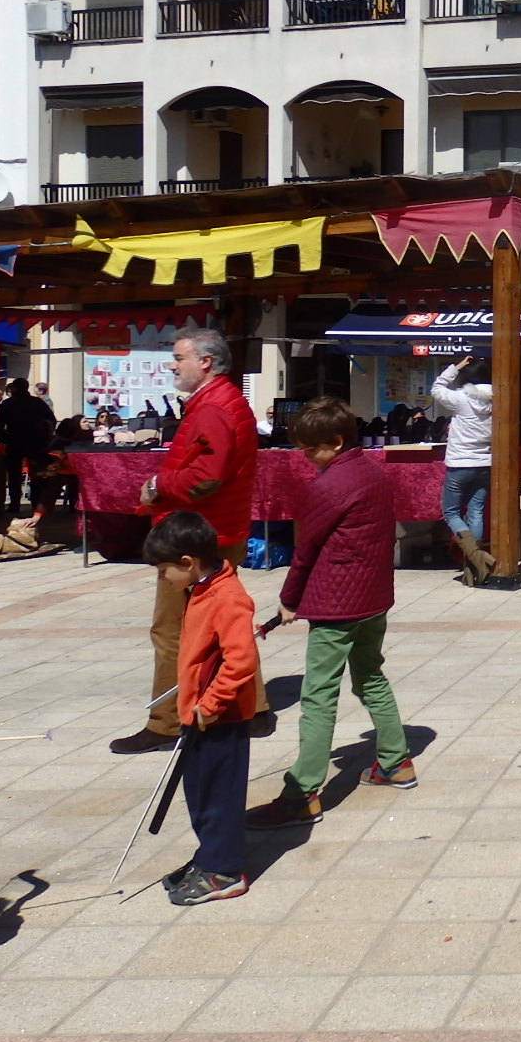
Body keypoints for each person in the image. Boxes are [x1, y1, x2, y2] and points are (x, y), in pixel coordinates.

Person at [248, 398, 412, 830]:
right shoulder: (374, 473)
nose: (305, 457)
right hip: (374, 598)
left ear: (336, 442)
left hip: (338, 604)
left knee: (318, 696)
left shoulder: (329, 485)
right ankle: (396, 761)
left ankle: (302, 794)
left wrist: (288, 600)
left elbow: (305, 551)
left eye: (310, 449)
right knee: (371, 676)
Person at [113, 331, 268, 755]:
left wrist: (158, 485)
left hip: (198, 535)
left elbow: (206, 478)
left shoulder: (213, 407)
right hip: (219, 528)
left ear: (205, 362)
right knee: (225, 626)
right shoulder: (222, 401)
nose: (172, 364)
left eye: (179, 357)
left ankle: (165, 723)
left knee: (171, 630)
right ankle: (254, 709)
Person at [143, 512, 258, 906]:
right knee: (198, 791)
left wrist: (210, 703)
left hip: (220, 717)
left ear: (188, 562)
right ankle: (209, 856)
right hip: (197, 714)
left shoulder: (228, 596)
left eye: (164, 571)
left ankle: (225, 870)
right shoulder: (202, 589)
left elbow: (241, 660)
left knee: (218, 796)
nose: (163, 579)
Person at [431, 355, 496, 586]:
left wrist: (455, 368)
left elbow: (437, 388)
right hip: (484, 462)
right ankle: (474, 570)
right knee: (476, 512)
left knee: (451, 512)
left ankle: (476, 557)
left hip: (459, 462)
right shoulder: (497, 398)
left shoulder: (461, 397)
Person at [0, 377, 57, 516]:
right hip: (35, 442)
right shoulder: (37, 402)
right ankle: (36, 504)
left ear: (15, 388)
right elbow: (51, 420)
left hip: (15, 441)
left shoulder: (8, 403)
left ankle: (14, 504)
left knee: (14, 475)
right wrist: (45, 436)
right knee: (37, 475)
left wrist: (5, 439)